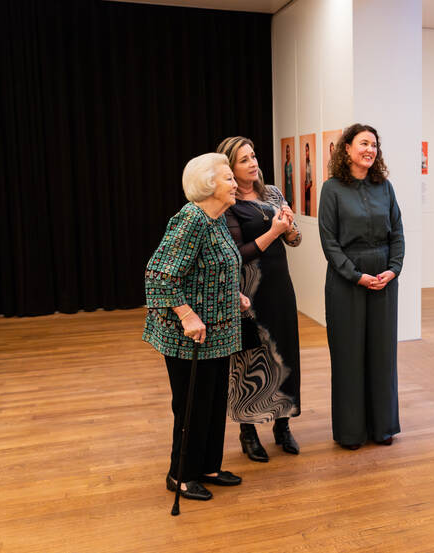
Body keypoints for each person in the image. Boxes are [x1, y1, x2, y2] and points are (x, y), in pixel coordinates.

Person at [143, 152, 249, 501]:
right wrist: (187, 315)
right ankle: (181, 474)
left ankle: (207, 466)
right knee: (192, 402)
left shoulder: (217, 218)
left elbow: (216, 265)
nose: (236, 183)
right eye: (228, 178)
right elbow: (159, 276)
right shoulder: (191, 219)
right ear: (208, 184)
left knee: (214, 400)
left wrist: (234, 294)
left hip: (219, 333)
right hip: (189, 336)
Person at [319, 123, 404, 450]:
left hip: (383, 279)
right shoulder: (331, 189)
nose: (370, 150)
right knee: (349, 355)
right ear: (347, 149)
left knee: (383, 354)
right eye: (363, 143)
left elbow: (397, 232)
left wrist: (393, 269)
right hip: (347, 281)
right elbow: (329, 242)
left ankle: (383, 427)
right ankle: (351, 432)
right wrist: (355, 275)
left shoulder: (385, 187)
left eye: (374, 145)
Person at [217, 136, 303, 461]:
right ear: (230, 166)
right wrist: (275, 232)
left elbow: (294, 240)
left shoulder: (272, 193)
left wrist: (290, 229)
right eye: (244, 159)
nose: (253, 163)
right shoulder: (227, 202)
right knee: (249, 361)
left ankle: (283, 426)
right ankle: (248, 432)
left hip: (280, 286)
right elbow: (237, 254)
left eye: (253, 156)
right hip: (248, 292)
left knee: (285, 354)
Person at [304, 142, 313, 216]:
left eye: (307, 151)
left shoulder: (309, 164)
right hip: (303, 189)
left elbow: (311, 182)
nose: (306, 153)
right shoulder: (304, 163)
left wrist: (306, 188)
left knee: (308, 207)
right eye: (305, 151)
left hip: (307, 189)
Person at [283, 143, 294, 207]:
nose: (287, 154)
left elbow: (292, 181)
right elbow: (285, 180)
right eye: (286, 152)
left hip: (290, 192)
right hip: (286, 193)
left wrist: (293, 196)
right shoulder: (285, 165)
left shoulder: (291, 165)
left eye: (288, 152)